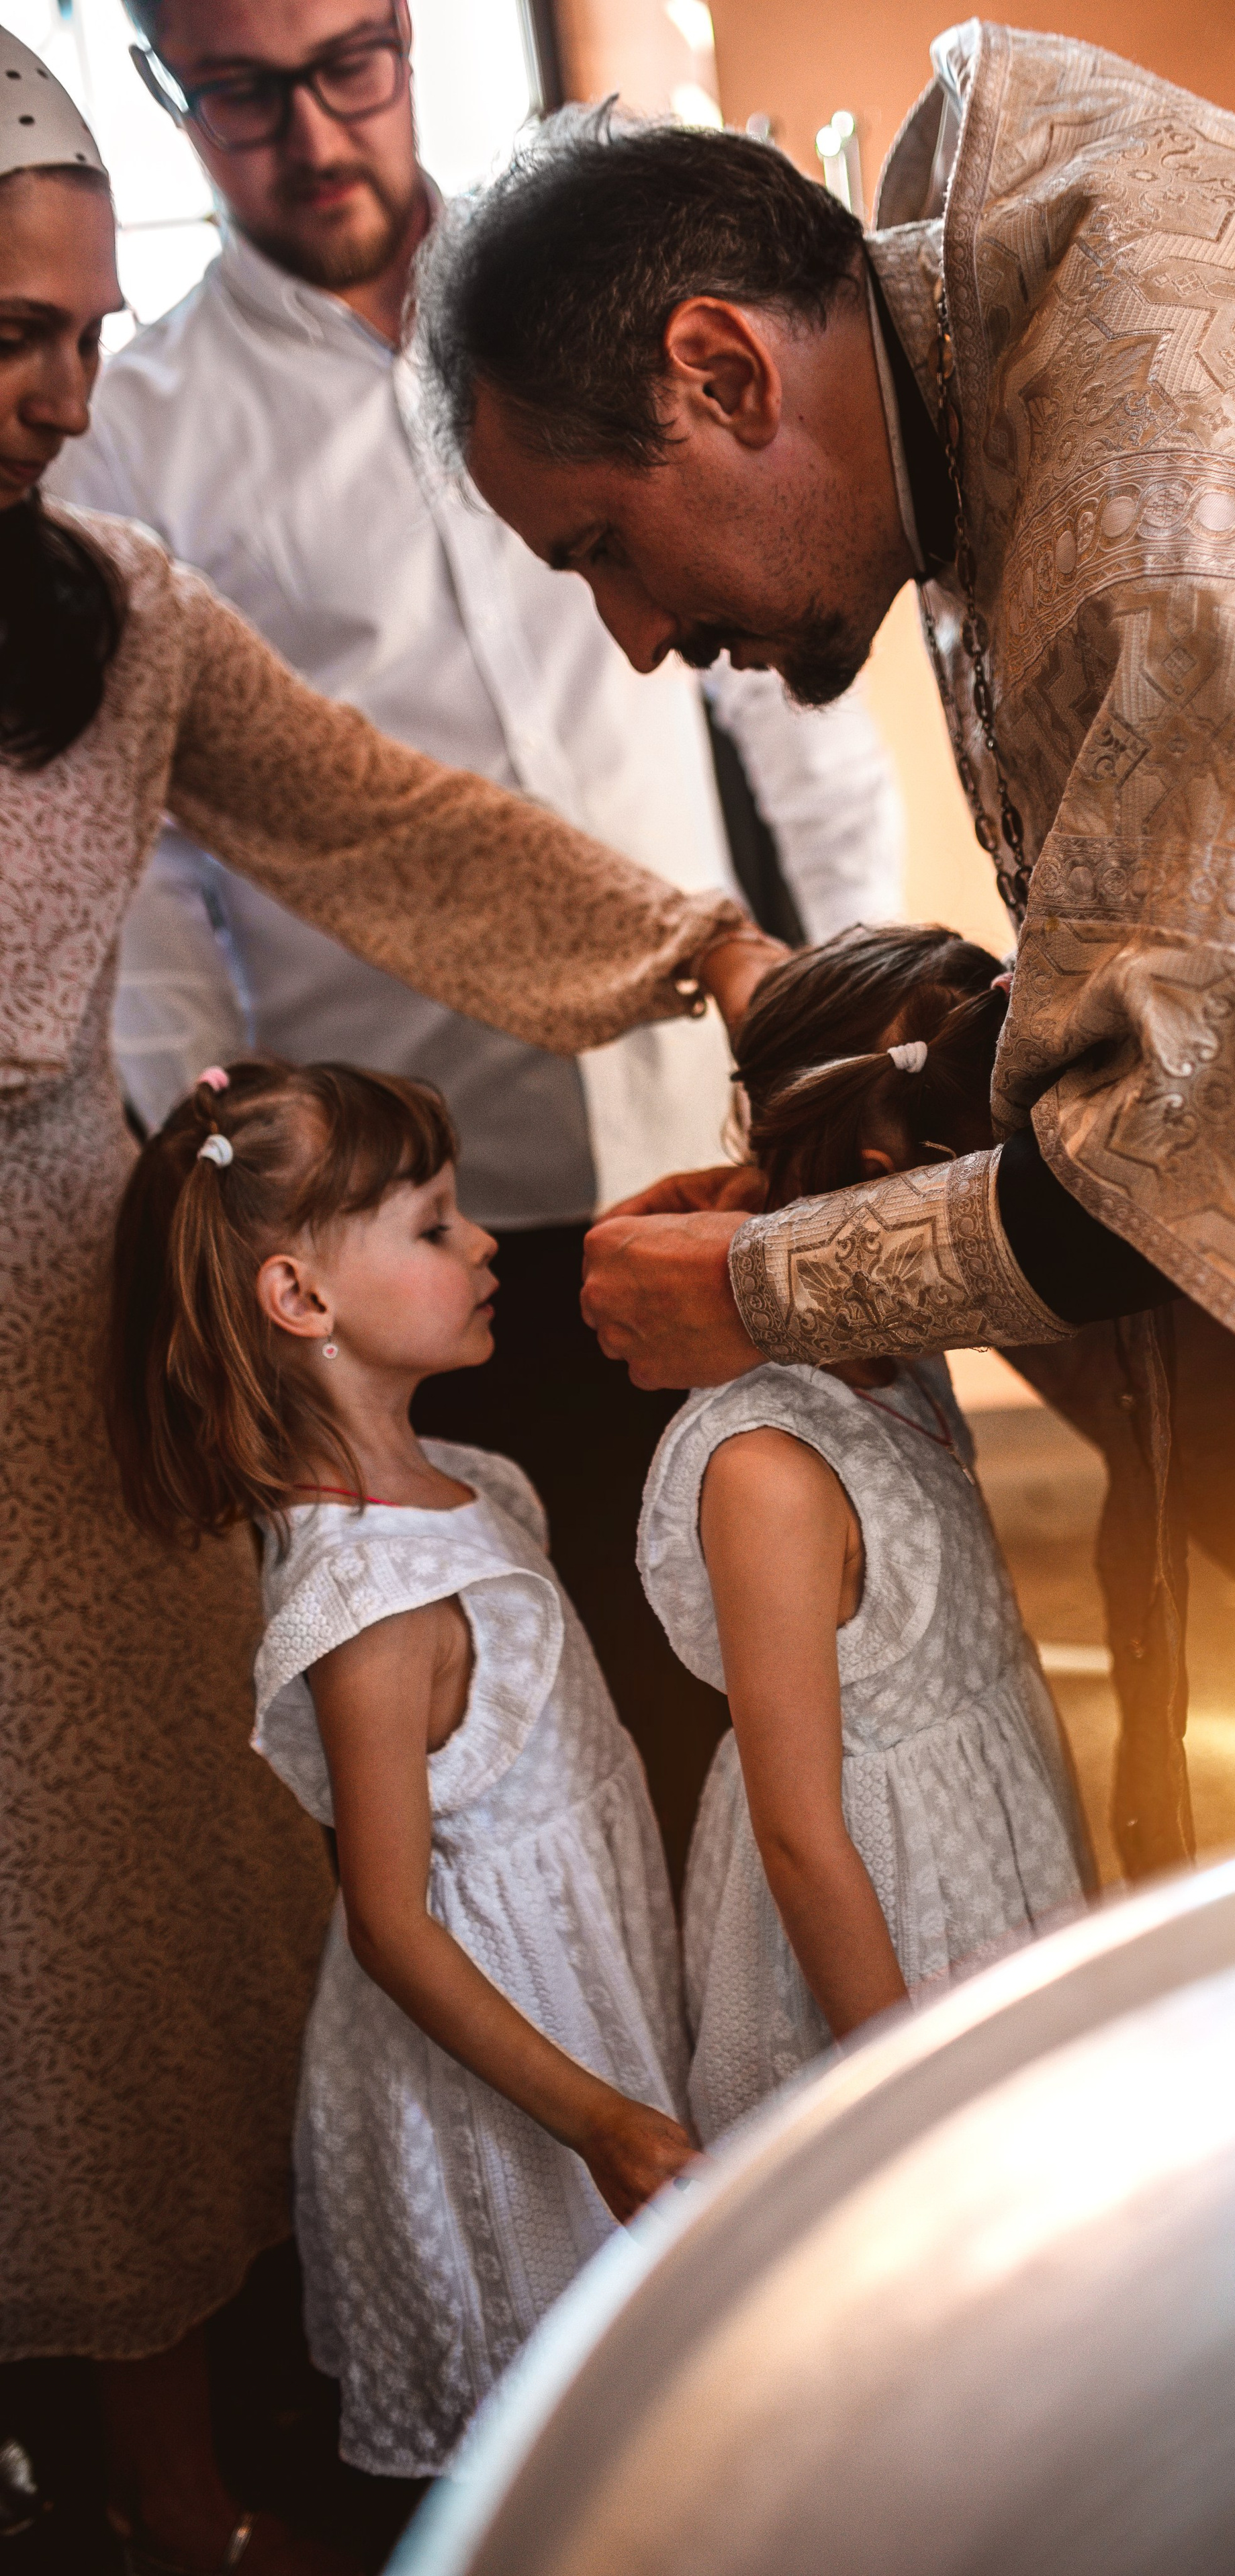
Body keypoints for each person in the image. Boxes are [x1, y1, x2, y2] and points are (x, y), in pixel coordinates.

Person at [410, 30, 1235, 1787]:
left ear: (721, 372)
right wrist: (863, 1153)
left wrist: (767, 1288)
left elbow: (1205, 1145)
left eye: (602, 546)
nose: (635, 638)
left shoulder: (1157, 500)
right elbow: (1189, 950)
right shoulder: (1006, 296)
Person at [0, 40, 764, 2570]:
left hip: (74, 1326)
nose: (58, 397)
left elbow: (384, 821)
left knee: (169, 1898)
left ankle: (228, 2434)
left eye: (78, 332)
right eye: (6, 336)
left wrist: (707, 950)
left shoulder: (114, 614)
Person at [48, 0, 903, 1882]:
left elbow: (777, 682)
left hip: (699, 1116)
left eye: (348, 62)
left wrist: (827, 995)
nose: (311, 132)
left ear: (406, 34)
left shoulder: (577, 316)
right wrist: (245, 1182)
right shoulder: (137, 429)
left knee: (804, 1646)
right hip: (424, 1208)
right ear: (168, 89)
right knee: (549, 1706)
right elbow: (169, 875)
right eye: (243, 92)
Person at [107, 1059, 694, 2477]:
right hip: (511, 2064)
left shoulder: (476, 1482)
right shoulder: (372, 1601)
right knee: (561, 2434)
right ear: (301, 1298)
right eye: (433, 1225)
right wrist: (598, 2120)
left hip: (583, 1972)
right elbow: (388, 1920)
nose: (485, 1242)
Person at [639, 928, 1089, 2143]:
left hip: (985, 1849)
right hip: (886, 1933)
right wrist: (901, 2094)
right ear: (895, 1173)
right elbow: (798, 1833)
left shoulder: (899, 1361)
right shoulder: (771, 1470)